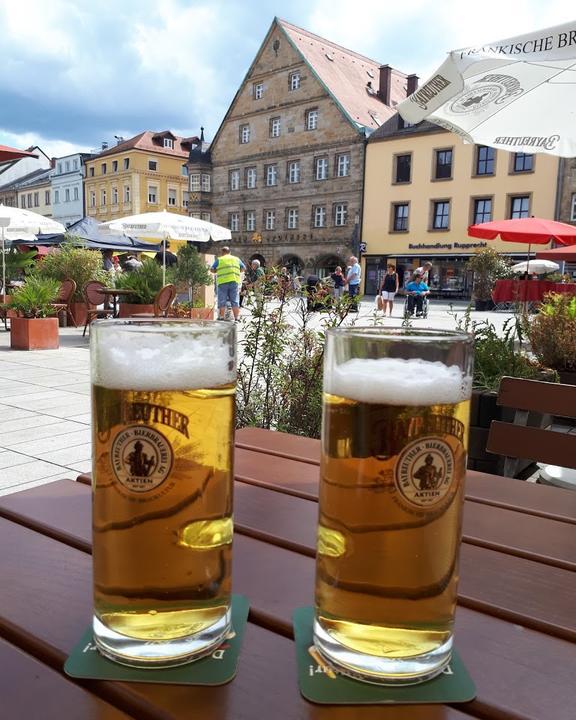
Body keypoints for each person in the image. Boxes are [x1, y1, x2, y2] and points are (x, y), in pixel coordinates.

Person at [210, 246, 246, 321]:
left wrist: (217, 271)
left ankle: (221, 317)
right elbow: (243, 268)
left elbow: (212, 269)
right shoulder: (236, 259)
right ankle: (236, 317)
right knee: (235, 300)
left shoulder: (219, 259)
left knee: (222, 300)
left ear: (222, 252)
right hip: (234, 281)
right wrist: (236, 271)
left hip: (222, 282)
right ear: (230, 252)